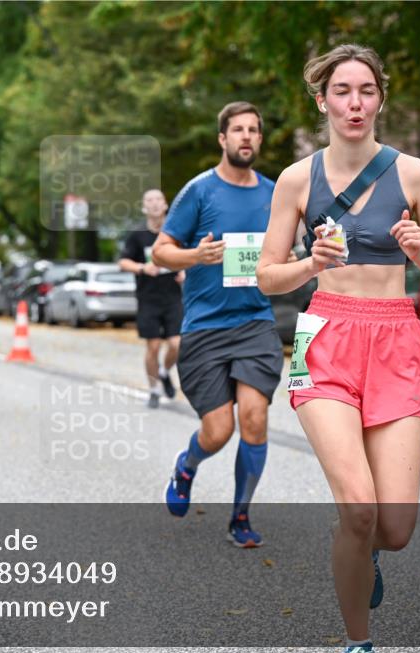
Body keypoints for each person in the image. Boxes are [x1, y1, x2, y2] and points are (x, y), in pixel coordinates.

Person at [255, 44, 420, 653]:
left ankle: (366, 547)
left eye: (366, 91)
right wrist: (309, 264)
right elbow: (267, 277)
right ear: (323, 100)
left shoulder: (414, 174)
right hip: (325, 338)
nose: (355, 103)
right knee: (359, 504)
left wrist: (419, 252)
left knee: (393, 529)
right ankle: (358, 642)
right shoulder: (297, 179)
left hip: (398, 337)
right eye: (342, 91)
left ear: (380, 99)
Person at [154, 102, 285, 548]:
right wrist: (196, 256)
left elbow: (288, 247)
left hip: (254, 323)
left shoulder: (274, 193)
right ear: (223, 139)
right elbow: (160, 251)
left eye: (253, 130)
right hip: (206, 328)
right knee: (218, 430)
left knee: (254, 418)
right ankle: (187, 464)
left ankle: (241, 516)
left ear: (259, 140)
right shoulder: (199, 191)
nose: (246, 136)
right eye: (237, 130)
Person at [118, 189, 185, 409]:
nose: (155, 204)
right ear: (144, 207)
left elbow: (190, 256)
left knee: (176, 344)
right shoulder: (137, 235)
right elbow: (123, 262)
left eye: (158, 199)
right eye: (149, 201)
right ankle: (154, 389)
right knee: (153, 347)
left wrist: (185, 271)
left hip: (173, 297)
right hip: (148, 299)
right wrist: (142, 267)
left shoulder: (176, 232)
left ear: (166, 205)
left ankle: (164, 372)